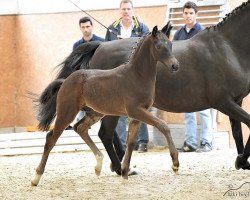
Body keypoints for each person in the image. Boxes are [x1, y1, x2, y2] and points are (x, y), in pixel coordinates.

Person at [105, 0, 149, 152]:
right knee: (120, 109)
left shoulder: (142, 28)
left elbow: (147, 49)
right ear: (120, 11)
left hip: (137, 76)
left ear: (133, 10)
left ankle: (142, 142)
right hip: (118, 75)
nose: (126, 11)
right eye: (123, 9)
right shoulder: (112, 29)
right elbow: (107, 50)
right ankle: (123, 142)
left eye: (129, 9)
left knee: (140, 108)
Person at [173, 1, 213, 152]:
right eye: (186, 13)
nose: (188, 16)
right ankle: (190, 143)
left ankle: (206, 142)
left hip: (201, 79)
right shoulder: (178, 33)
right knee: (188, 111)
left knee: (204, 111)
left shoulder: (202, 32)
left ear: (196, 14)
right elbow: (174, 54)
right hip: (184, 79)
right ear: (183, 14)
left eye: (191, 13)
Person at [69, 16, 104, 128]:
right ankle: (82, 125)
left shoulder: (102, 42)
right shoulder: (77, 45)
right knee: (81, 102)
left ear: (92, 27)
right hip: (84, 80)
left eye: (88, 26)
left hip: (100, 78)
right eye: (83, 27)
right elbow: (75, 63)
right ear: (80, 28)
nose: (85, 29)